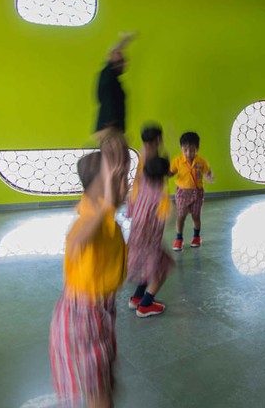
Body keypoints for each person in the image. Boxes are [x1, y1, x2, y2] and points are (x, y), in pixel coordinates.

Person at [49, 133, 130, 408]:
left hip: (102, 311)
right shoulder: (86, 221)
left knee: (104, 382)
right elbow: (77, 243)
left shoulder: (108, 220)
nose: (127, 185)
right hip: (81, 319)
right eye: (120, 179)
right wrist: (106, 204)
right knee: (99, 393)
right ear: (98, 190)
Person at [127, 156, 175, 318]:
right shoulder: (161, 197)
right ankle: (145, 305)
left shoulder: (140, 188)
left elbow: (130, 207)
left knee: (146, 267)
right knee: (161, 270)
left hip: (135, 238)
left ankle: (137, 297)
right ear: (163, 176)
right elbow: (170, 220)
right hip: (151, 242)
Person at [170, 132, 213, 251]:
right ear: (181, 148)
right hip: (182, 193)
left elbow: (207, 171)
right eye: (185, 150)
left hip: (197, 193)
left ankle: (196, 237)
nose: (189, 153)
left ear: (197, 149)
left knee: (196, 217)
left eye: (192, 150)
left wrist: (209, 176)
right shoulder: (177, 160)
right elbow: (171, 173)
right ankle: (179, 239)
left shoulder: (201, 161)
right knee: (181, 216)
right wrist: (163, 170)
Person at [95, 32, 136, 139]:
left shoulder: (113, 79)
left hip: (113, 127)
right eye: (121, 61)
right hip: (109, 127)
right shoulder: (107, 74)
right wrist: (125, 40)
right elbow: (113, 51)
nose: (124, 64)